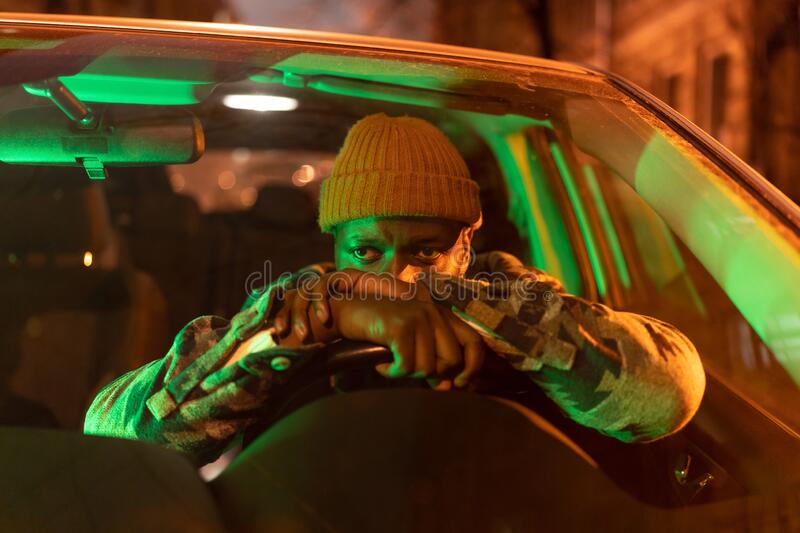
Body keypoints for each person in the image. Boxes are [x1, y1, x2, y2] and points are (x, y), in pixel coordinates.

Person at [85, 114, 705, 466]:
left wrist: (462, 310)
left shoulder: (508, 292)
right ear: (335, 245)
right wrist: (332, 315)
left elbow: (663, 394)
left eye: (426, 251)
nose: (398, 278)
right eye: (367, 252)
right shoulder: (301, 305)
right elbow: (112, 438)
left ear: (466, 243)